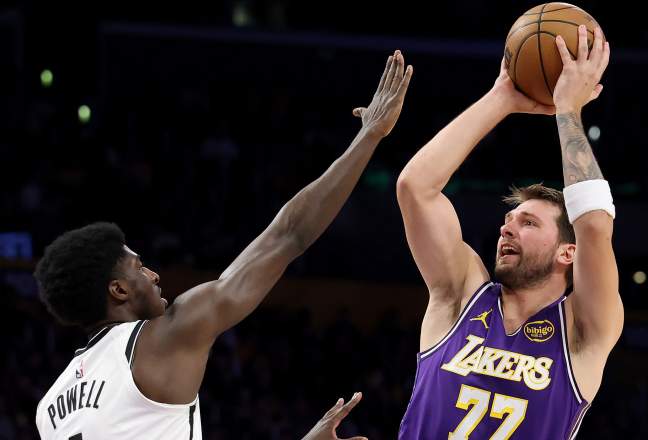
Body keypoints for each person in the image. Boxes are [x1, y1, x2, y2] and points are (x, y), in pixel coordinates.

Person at [33, 50, 413, 439]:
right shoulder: (165, 337)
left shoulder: (49, 408)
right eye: (138, 266)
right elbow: (288, 236)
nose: (153, 273)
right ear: (118, 290)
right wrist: (369, 137)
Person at [396, 26, 621, 439]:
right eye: (508, 220)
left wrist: (568, 111)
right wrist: (502, 97)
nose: (507, 228)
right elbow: (416, 188)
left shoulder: (582, 329)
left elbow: (593, 226)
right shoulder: (459, 295)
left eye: (528, 222)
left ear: (567, 253)